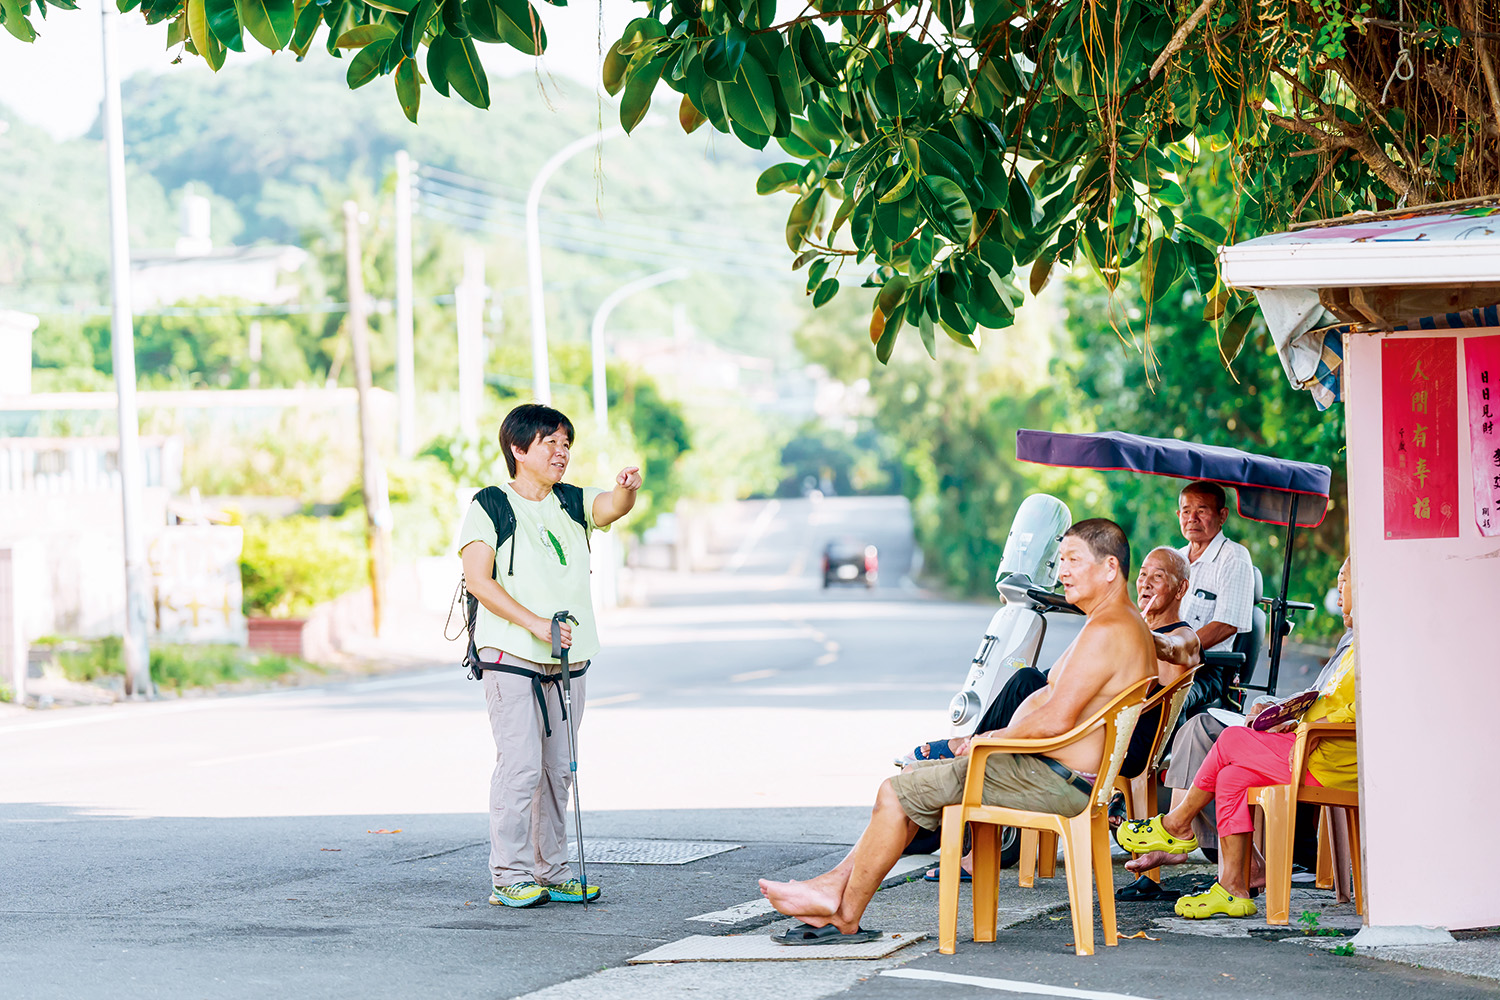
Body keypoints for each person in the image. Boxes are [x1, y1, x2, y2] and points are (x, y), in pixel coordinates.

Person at [757, 519, 1156, 943]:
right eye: (1061, 561)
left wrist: (989, 741)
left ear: (1110, 567)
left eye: (1073, 560)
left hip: (1054, 780)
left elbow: (1057, 718)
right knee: (912, 783)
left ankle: (842, 912)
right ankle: (834, 890)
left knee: (894, 792)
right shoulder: (1119, 623)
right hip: (1056, 774)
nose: (1063, 572)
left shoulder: (1108, 630)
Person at [458, 403, 642, 908]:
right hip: (511, 652)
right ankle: (509, 874)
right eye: (550, 443)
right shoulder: (491, 504)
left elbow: (612, 507)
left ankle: (552, 869)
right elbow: (479, 579)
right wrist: (536, 623)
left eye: (566, 443)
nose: (561, 452)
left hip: (567, 657)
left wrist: (627, 488)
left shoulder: (571, 501)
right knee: (519, 767)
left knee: (558, 768)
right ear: (519, 449)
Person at [1124, 558, 1355, 884]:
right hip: (1305, 739)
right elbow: (1319, 694)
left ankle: (1177, 827)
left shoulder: (1369, 648)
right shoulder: (1351, 641)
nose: (1338, 594)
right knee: (1228, 771)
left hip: (1320, 751)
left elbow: (1352, 712)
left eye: (1343, 581)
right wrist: (1276, 706)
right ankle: (1240, 880)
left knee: (1217, 735)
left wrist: (1297, 722)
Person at [1176, 481, 1256, 715]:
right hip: (1171, 661)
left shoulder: (1234, 557)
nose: (1192, 518)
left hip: (1207, 669)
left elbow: (1226, 625)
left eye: (1201, 510)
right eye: (1187, 511)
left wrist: (1177, 651)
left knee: (1165, 696)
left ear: (1222, 515)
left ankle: (1169, 753)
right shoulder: (1176, 558)